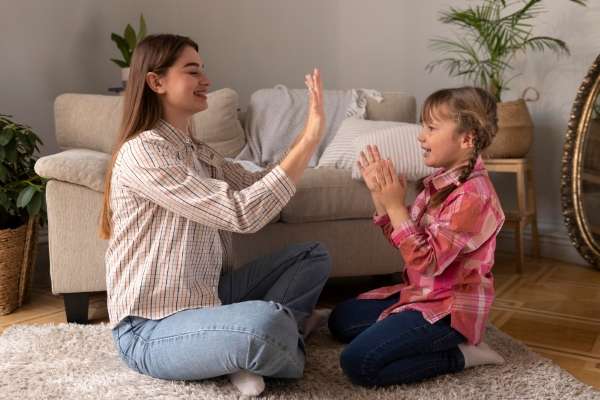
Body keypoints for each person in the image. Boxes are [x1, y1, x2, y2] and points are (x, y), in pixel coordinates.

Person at [99, 34, 331, 397]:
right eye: (193, 71)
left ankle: (245, 346)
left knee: (311, 256)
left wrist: (307, 137)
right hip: (150, 328)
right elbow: (242, 214)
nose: (206, 80)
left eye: (203, 70)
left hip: (208, 295)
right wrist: (308, 142)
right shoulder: (144, 153)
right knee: (264, 323)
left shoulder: (197, 151)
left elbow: (259, 185)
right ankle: (270, 339)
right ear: (156, 82)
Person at [328, 86, 506, 387]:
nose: (421, 136)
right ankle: (406, 328)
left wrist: (396, 205)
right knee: (340, 320)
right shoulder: (439, 183)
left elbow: (427, 262)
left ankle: (463, 354)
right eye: (423, 126)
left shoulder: (473, 197)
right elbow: (407, 242)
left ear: (467, 139)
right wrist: (380, 198)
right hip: (421, 295)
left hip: (450, 310)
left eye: (432, 128)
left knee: (359, 363)